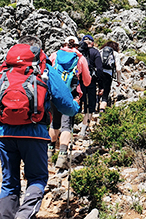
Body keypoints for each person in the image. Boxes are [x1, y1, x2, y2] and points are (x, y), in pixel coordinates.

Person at [0, 36, 80, 219]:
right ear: (39, 51)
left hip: (5, 134)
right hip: (36, 135)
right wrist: (76, 106)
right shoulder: (45, 70)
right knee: (38, 179)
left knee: (10, 184)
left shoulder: (4, 71)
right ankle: (23, 218)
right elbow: (68, 107)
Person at [48, 36, 91, 164]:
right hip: (71, 94)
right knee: (66, 125)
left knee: (54, 123)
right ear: (76, 46)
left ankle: (50, 152)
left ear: (64, 44)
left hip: (54, 93)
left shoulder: (54, 55)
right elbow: (87, 81)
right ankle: (62, 156)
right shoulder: (80, 58)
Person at [77, 34, 103, 137]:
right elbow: (99, 69)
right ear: (92, 43)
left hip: (77, 81)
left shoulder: (77, 52)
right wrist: (101, 85)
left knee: (77, 102)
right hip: (90, 82)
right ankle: (83, 130)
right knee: (90, 106)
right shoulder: (95, 52)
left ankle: (71, 126)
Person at [98, 40, 123, 113]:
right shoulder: (115, 53)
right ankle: (101, 111)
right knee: (105, 94)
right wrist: (119, 80)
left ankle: (92, 110)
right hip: (108, 75)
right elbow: (118, 68)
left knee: (98, 90)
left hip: (98, 74)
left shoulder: (100, 51)